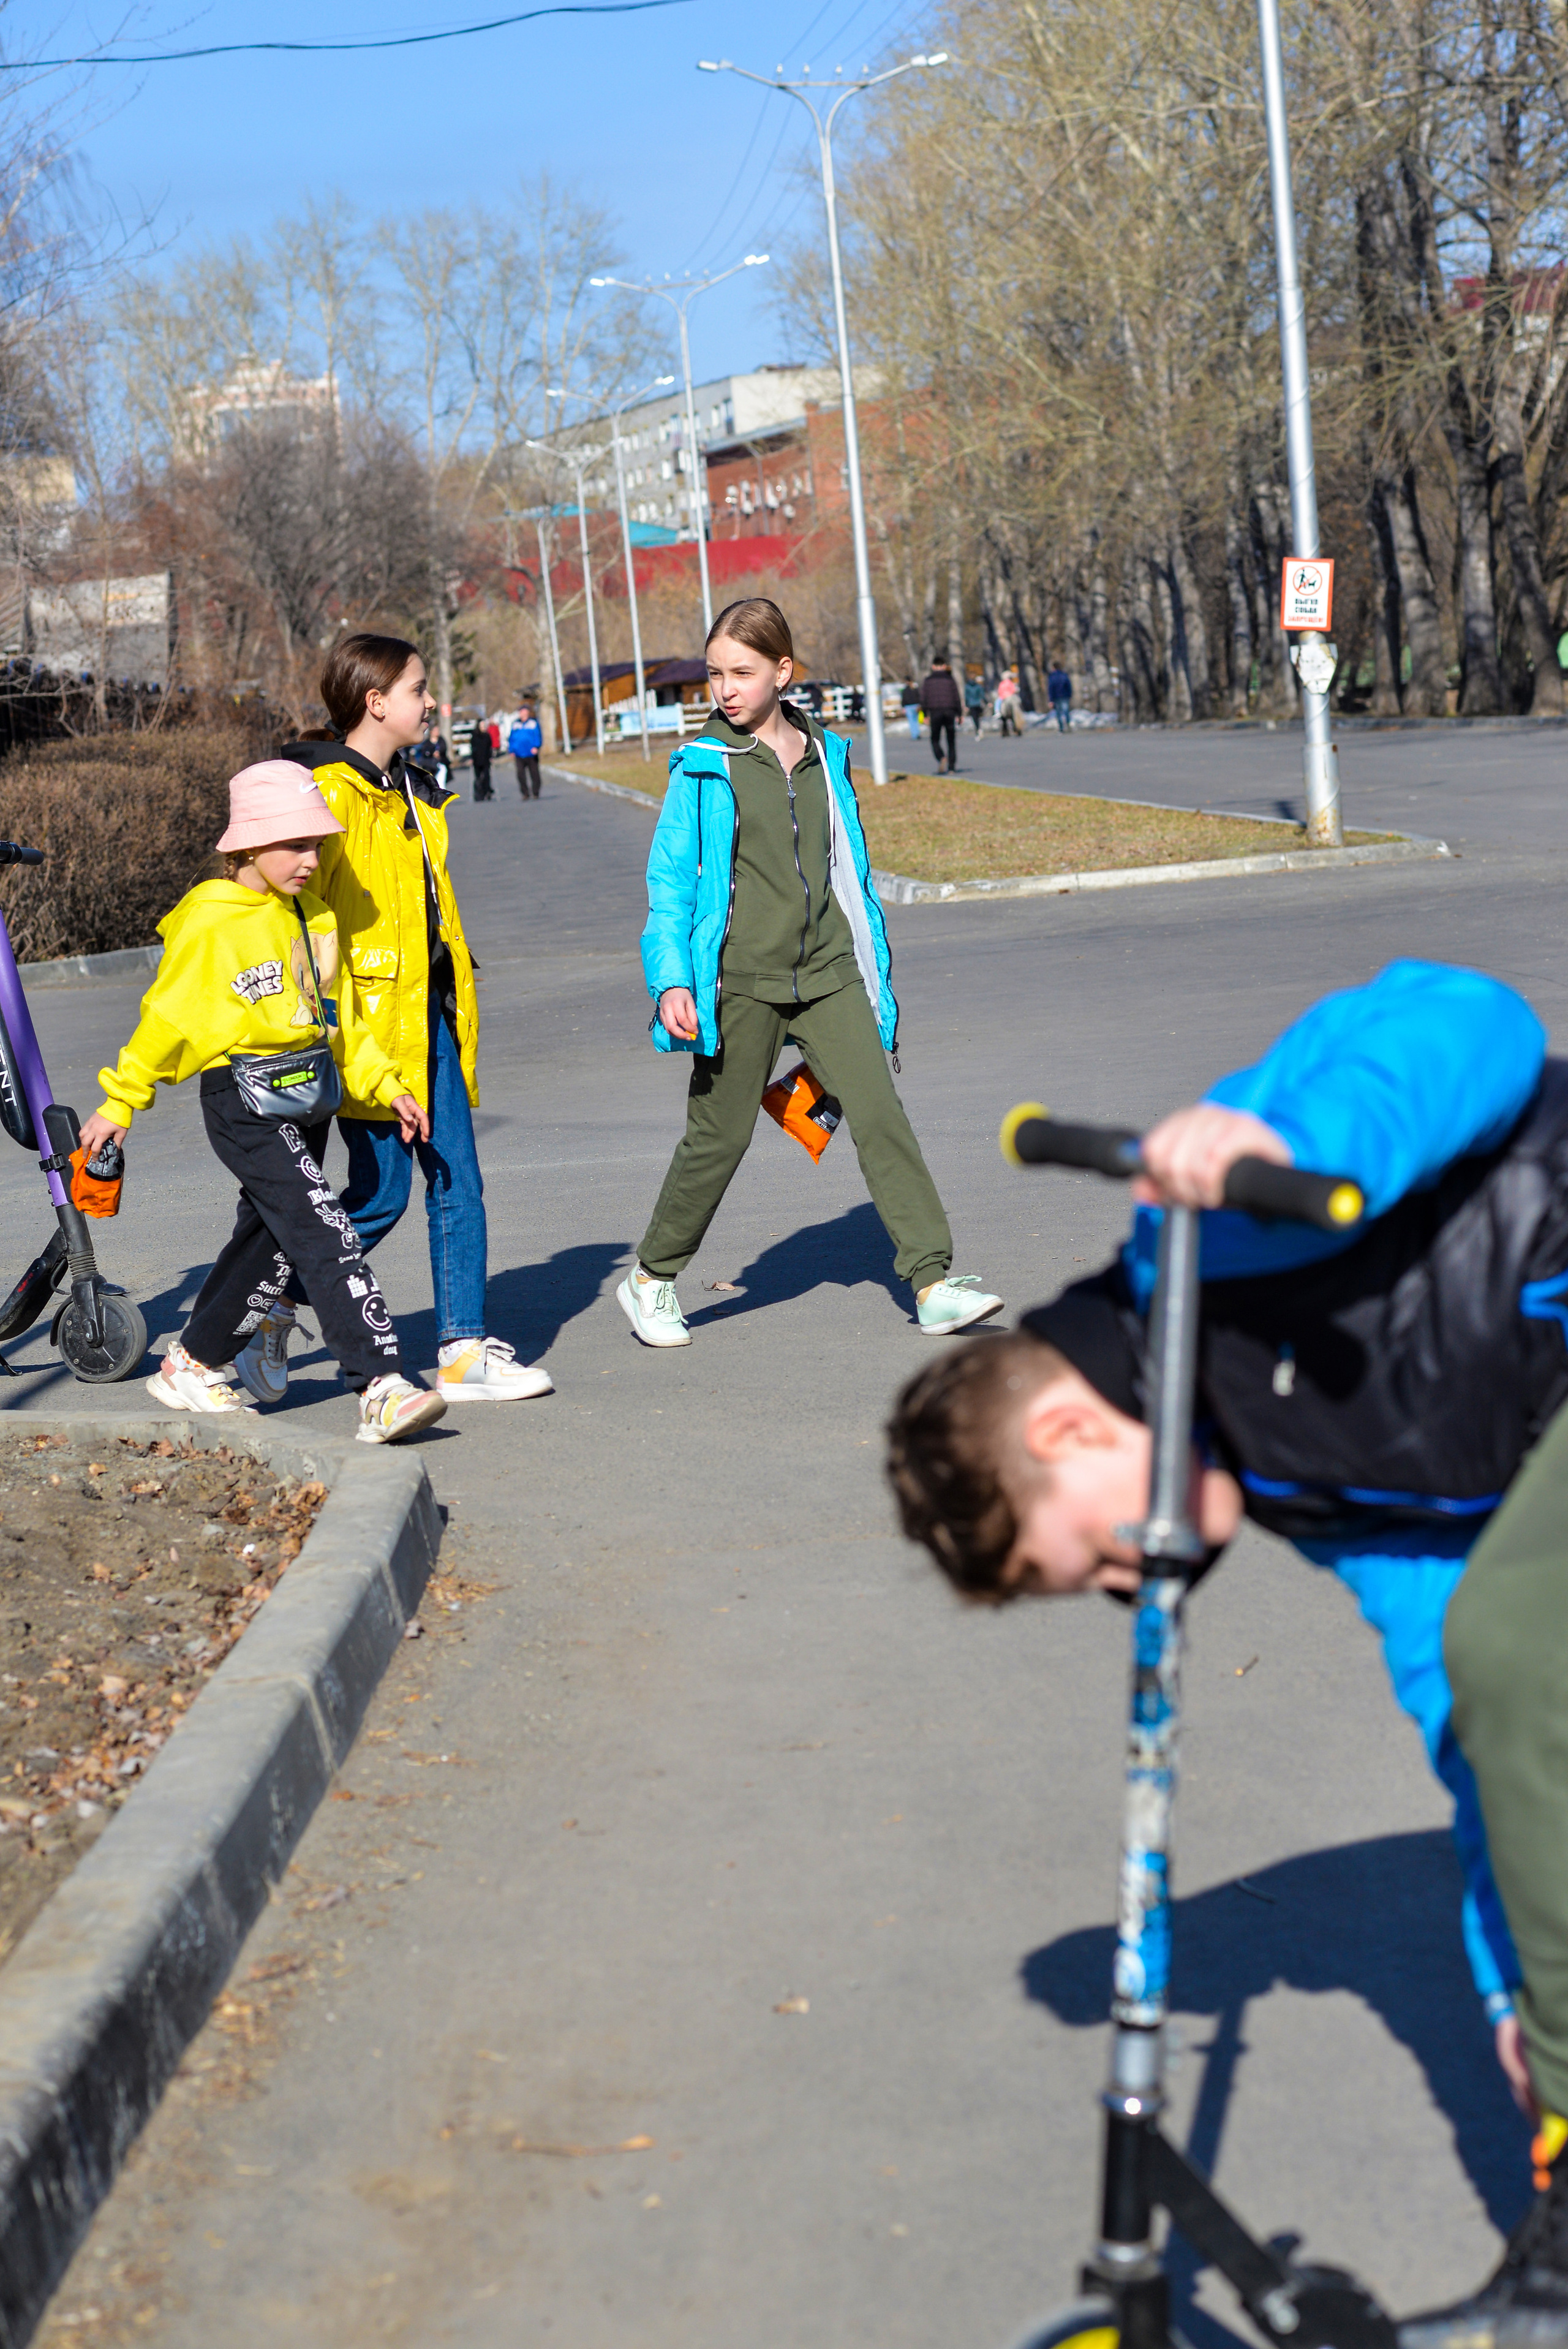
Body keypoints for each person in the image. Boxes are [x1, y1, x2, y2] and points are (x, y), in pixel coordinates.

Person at [886, 959, 1568, 2349]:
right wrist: (1515, 1990)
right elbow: (1477, 1731)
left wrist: (1287, 1143)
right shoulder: (1306, 1485)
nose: (1135, 1583)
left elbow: (1469, 1016)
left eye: (1095, 1556)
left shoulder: (1198, 1226)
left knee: (1512, 1635)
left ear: (1072, 1437)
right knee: (1499, 1672)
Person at [619, 596, 1004, 1350]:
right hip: (738, 981)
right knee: (719, 1138)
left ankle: (931, 1283)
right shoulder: (703, 767)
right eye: (714, 674)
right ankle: (651, 1279)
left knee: (879, 1114)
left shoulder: (827, 753)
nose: (725, 689)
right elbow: (671, 884)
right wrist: (670, 981)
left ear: (782, 671)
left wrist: (872, 966)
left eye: (742, 672)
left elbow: (845, 866)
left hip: (827, 969)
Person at [78, 762, 445, 1446]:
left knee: (273, 1245)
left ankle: (191, 1364)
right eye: (294, 845)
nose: (311, 861)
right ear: (246, 846)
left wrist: (385, 1081)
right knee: (324, 1231)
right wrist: (121, 1103)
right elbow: (167, 1019)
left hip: (307, 1094)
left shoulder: (314, 916)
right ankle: (380, 1385)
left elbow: (338, 1020)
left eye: (317, 845)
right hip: (241, 1098)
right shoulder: (210, 923)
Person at [281, 635, 554, 1404]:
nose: (430, 701)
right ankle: (274, 1302)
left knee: (457, 1180)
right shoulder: (329, 794)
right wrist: (334, 1024)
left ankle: (463, 1349)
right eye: (418, 689)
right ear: (376, 702)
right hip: (366, 1027)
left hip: (431, 1012)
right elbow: (310, 924)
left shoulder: (414, 786)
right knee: (378, 1197)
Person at [919, 652, 963, 774]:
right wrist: (960, 714)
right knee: (951, 740)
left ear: (933, 667)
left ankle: (941, 757)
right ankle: (952, 767)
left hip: (935, 712)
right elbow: (956, 697)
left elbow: (924, 699)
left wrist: (925, 714)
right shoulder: (950, 680)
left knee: (935, 738)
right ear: (944, 666)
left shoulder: (928, 681)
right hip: (949, 711)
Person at [509, 705, 542, 799]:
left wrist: (536, 746)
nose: (521, 714)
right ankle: (525, 793)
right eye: (520, 712)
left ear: (527, 712)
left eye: (523, 711)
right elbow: (512, 738)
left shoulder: (533, 723)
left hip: (531, 753)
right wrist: (512, 749)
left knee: (534, 773)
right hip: (519, 753)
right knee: (520, 774)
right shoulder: (516, 724)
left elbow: (538, 735)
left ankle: (536, 792)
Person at [469, 716, 494, 803]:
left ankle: (488, 792)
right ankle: (479, 794)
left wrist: (491, 757)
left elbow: (490, 747)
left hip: (486, 758)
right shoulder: (475, 735)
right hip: (477, 759)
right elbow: (472, 747)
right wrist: (472, 758)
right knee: (478, 777)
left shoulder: (487, 736)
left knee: (487, 776)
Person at [995, 667, 1022, 736]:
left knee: (998, 703)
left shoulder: (1002, 684)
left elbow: (1000, 692)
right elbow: (1013, 690)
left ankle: (997, 712)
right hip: (1011, 696)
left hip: (1004, 697)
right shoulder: (1011, 683)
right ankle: (1017, 729)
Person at [1046, 662, 1072, 732]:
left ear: (1054, 668)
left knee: (1059, 712)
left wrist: (1051, 699)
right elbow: (1068, 686)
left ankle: (1061, 727)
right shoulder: (1064, 675)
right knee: (1066, 711)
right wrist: (1069, 694)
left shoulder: (1052, 676)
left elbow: (1051, 688)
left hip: (1056, 697)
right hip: (1065, 696)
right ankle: (1068, 725)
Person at [900, 679, 922, 744]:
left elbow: (903, 699)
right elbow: (919, 697)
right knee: (916, 721)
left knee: (911, 721)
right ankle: (917, 733)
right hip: (916, 706)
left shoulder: (905, 690)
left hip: (908, 707)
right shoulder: (915, 689)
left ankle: (914, 735)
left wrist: (903, 706)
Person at [965, 671, 986, 737]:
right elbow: (982, 695)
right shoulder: (978, 686)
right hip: (978, 703)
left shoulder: (967, 687)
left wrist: (966, 705)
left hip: (971, 704)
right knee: (979, 717)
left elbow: (967, 697)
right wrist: (987, 702)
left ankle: (978, 729)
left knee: (974, 718)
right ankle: (979, 729)